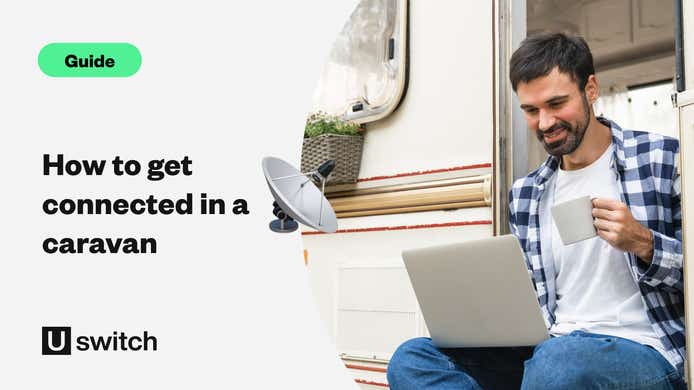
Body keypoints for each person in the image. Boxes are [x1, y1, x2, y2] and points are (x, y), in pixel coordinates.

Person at [386, 32, 686, 389]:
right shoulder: (527, 194)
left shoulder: (663, 159)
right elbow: (534, 299)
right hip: (552, 346)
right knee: (412, 358)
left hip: (644, 351)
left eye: (556, 104)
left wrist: (645, 243)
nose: (544, 123)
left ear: (591, 89)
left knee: (557, 363)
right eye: (531, 110)